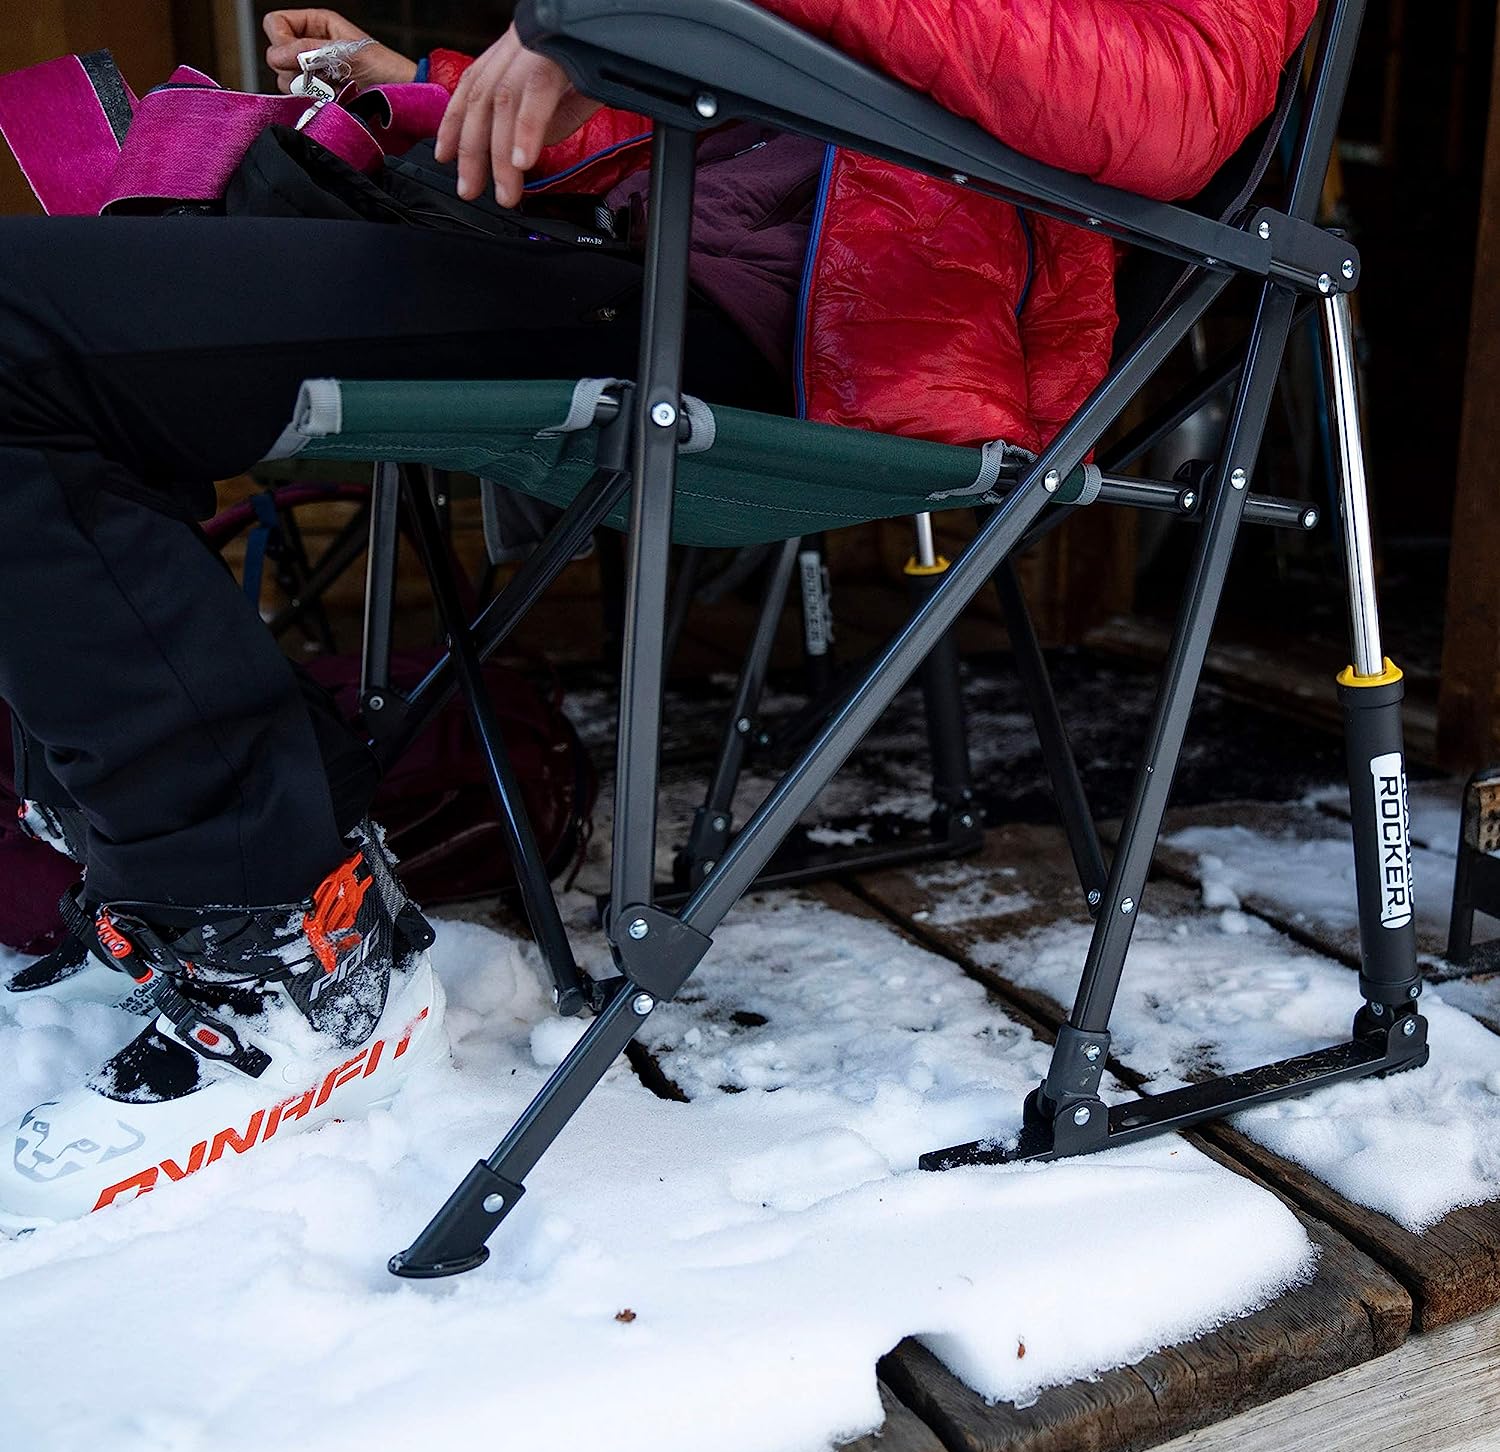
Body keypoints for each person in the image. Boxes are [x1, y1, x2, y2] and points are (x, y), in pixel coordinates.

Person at [0, 0, 1318, 1227]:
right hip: (633, 258)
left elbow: (1169, 105)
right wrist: (438, 86)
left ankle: (277, 949)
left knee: (18, 339)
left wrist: (626, 13)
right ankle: (246, 887)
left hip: (792, 340)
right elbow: (747, 112)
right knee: (52, 310)